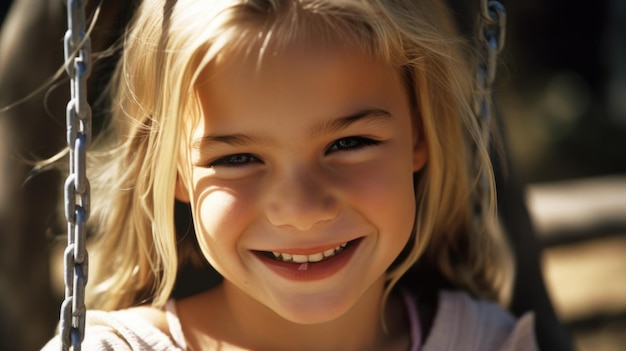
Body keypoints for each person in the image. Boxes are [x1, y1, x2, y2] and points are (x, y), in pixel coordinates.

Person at [42, 0, 538, 349]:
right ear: (172, 172)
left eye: (348, 144)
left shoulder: (485, 341)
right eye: (237, 159)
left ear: (421, 137)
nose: (301, 211)